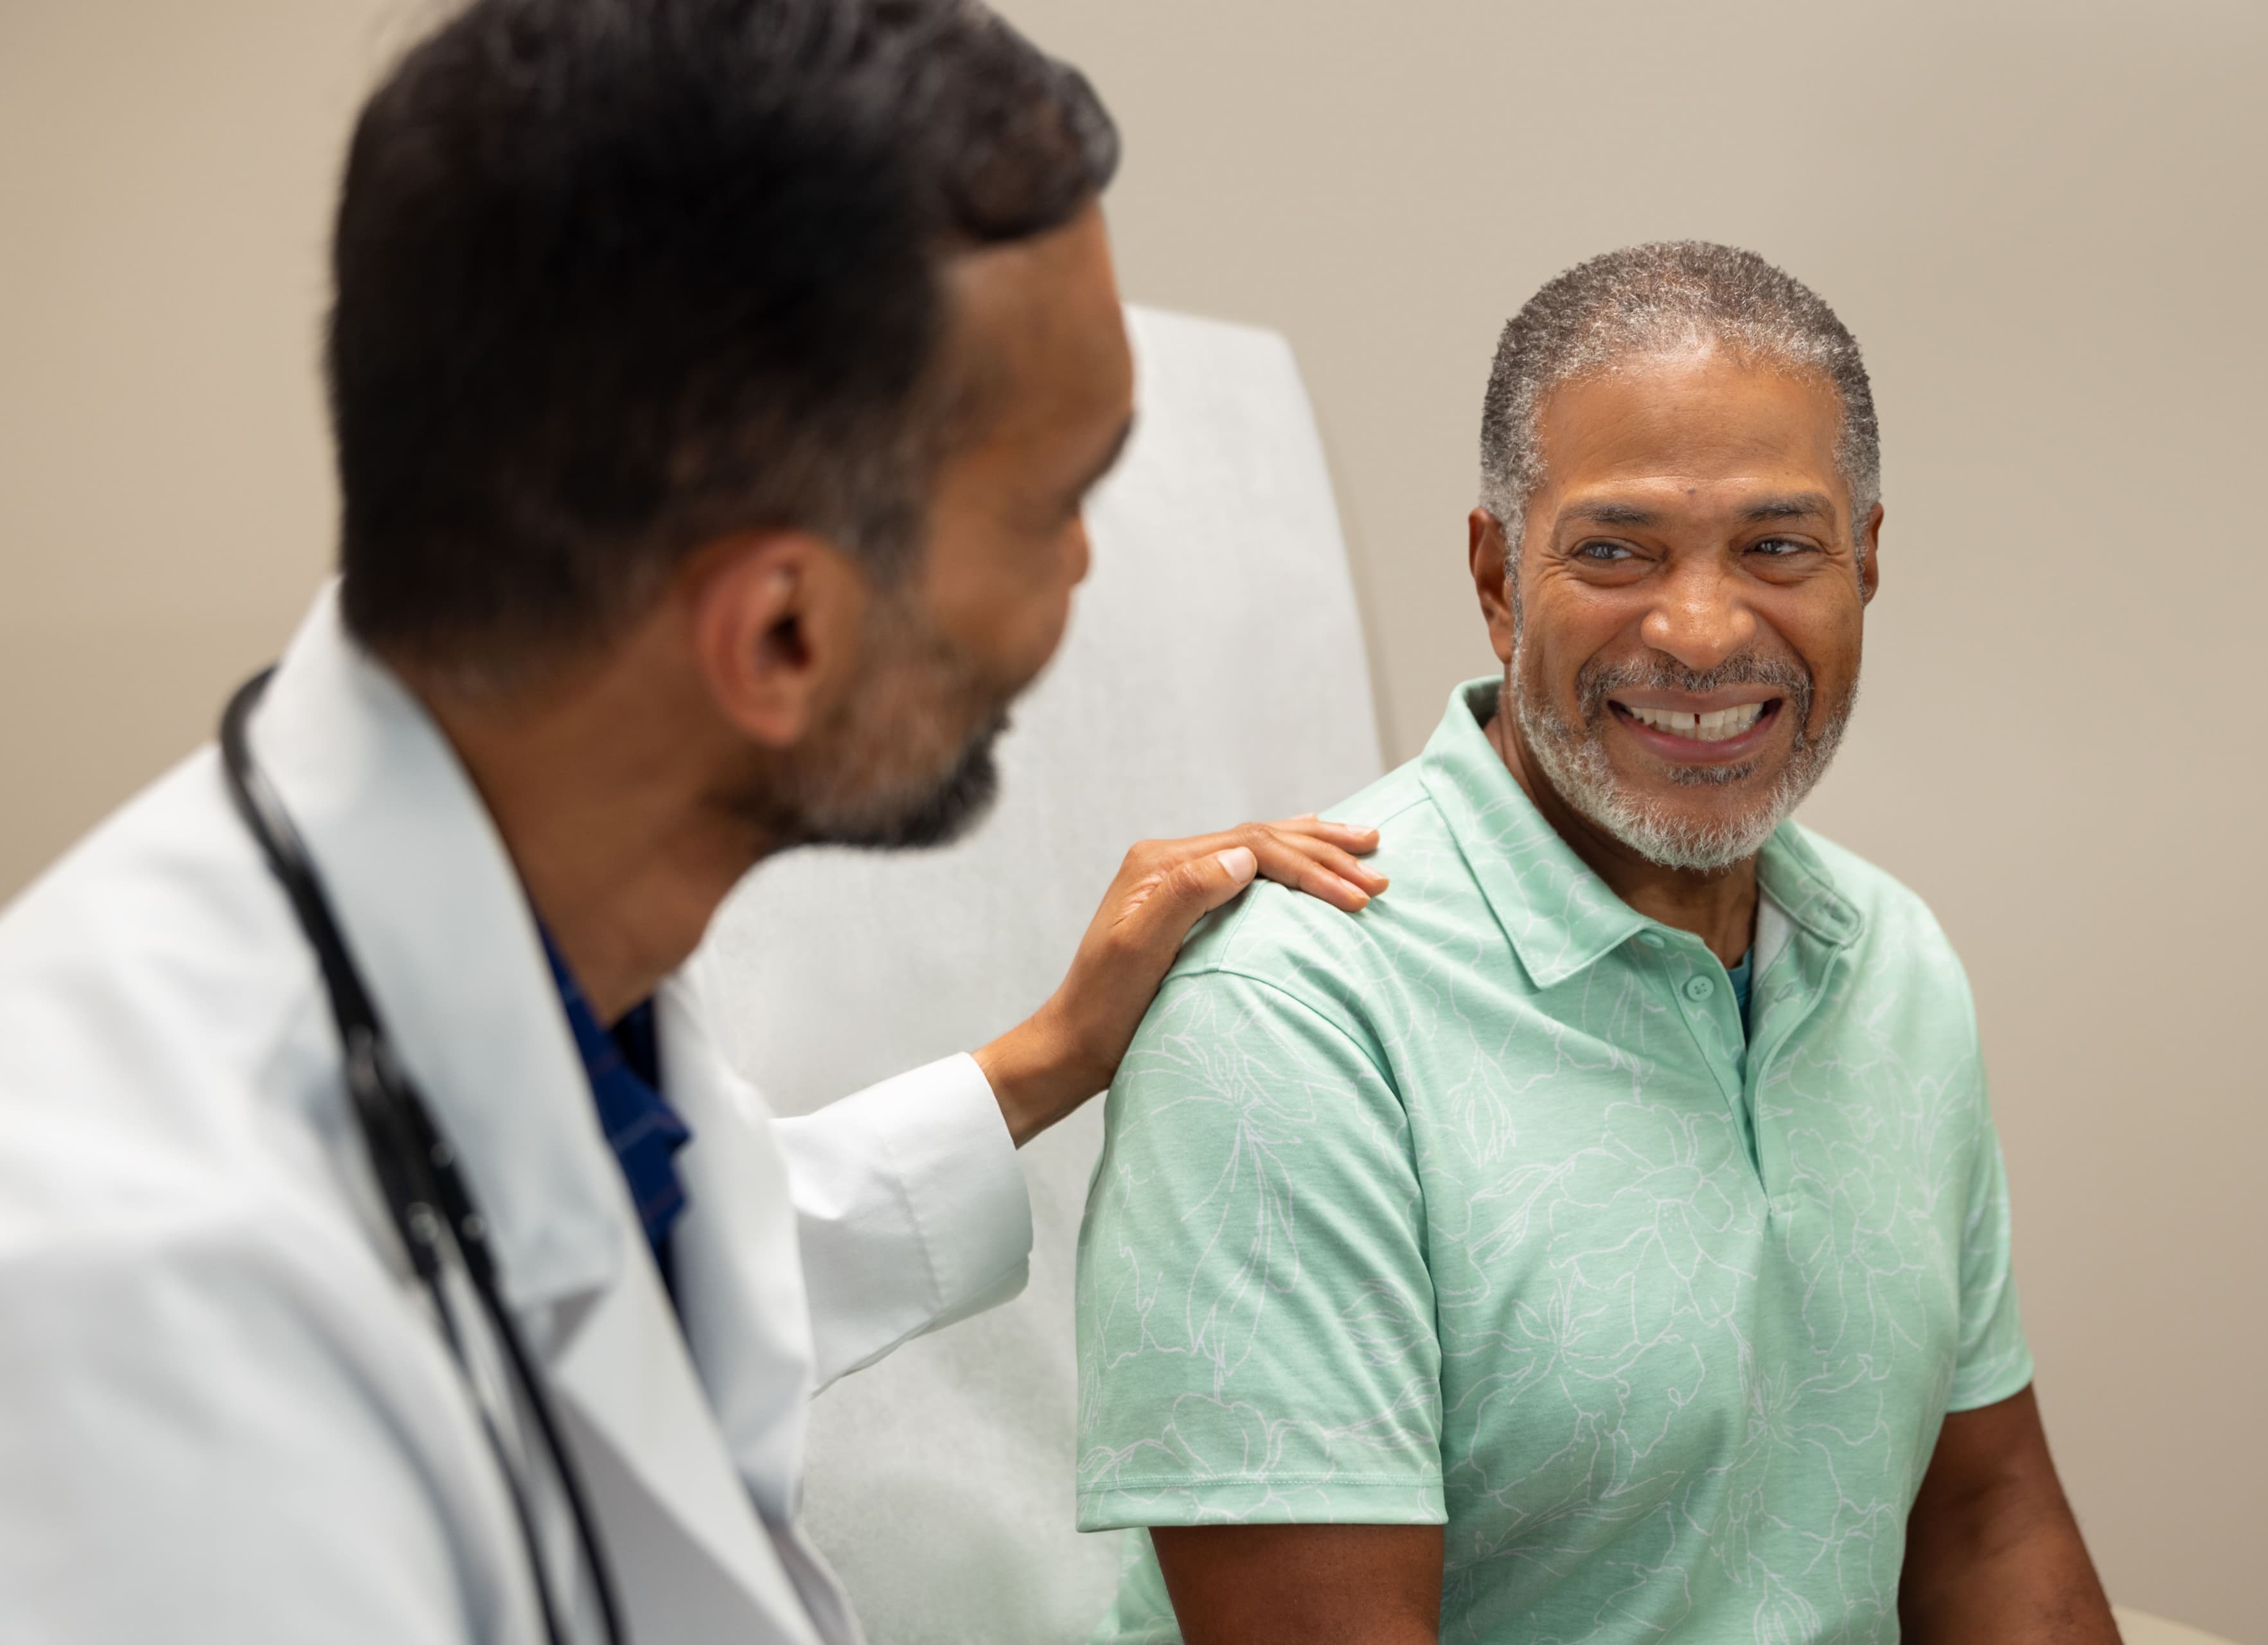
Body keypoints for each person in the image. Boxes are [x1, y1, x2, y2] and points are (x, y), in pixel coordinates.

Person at [0, 2, 1388, 1641]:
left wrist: (1042, 1064)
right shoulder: (143, 1307)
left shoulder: (534, 945)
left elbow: (617, 1279)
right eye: (1055, 507)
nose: (1084, 573)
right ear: (781, 636)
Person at [1075, 242, 2122, 1644]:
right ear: (1500, 578)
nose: (1699, 632)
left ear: (1865, 563)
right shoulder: (1290, 1011)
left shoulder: (1894, 963)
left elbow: (1986, 1523)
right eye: (1616, 550)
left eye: (1778, 546)